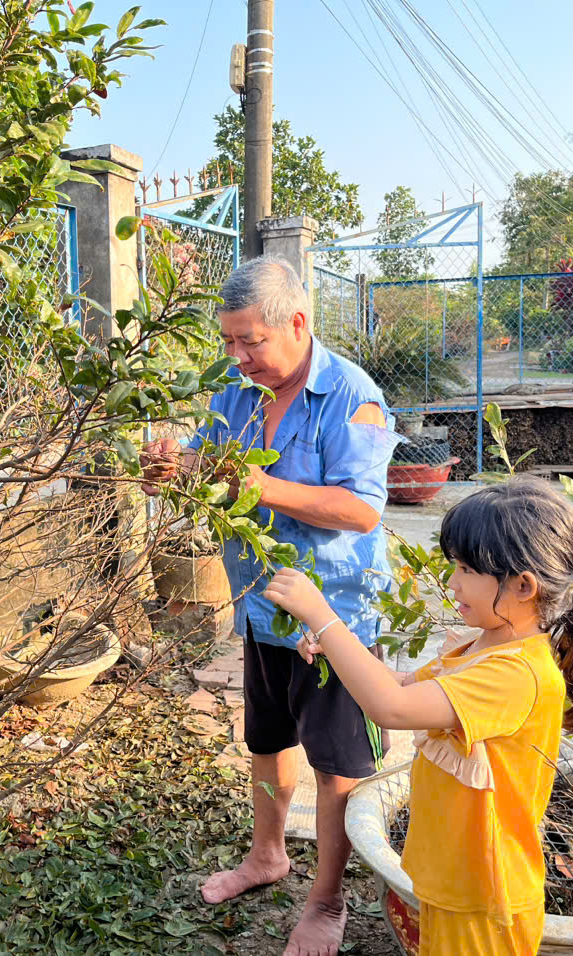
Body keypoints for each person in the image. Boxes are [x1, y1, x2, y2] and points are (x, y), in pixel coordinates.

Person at [140, 255, 400, 956]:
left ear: (297, 323)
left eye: (250, 341)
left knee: (336, 767)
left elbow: (360, 509)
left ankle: (328, 900)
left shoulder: (351, 396)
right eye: (229, 341)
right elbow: (208, 461)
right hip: (260, 607)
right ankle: (267, 856)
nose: (238, 356)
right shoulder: (237, 389)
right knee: (267, 741)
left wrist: (251, 485)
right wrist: (173, 468)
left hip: (333, 619)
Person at [263, 476, 573, 956]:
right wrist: (335, 650)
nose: (452, 582)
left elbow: (392, 707)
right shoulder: (485, 644)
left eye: (466, 569)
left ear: (523, 585)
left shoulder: (518, 675)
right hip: (454, 876)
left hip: (484, 900)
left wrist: (323, 617)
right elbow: (403, 685)